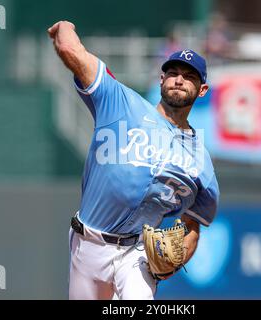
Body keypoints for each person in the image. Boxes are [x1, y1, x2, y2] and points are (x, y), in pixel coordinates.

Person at [48, 21, 219, 300]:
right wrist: (64, 27)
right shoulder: (120, 102)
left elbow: (194, 224)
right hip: (88, 244)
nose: (179, 79)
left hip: (137, 255)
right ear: (161, 80)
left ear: (202, 90)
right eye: (173, 72)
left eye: (189, 77)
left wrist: (176, 260)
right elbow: (70, 49)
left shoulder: (202, 163)